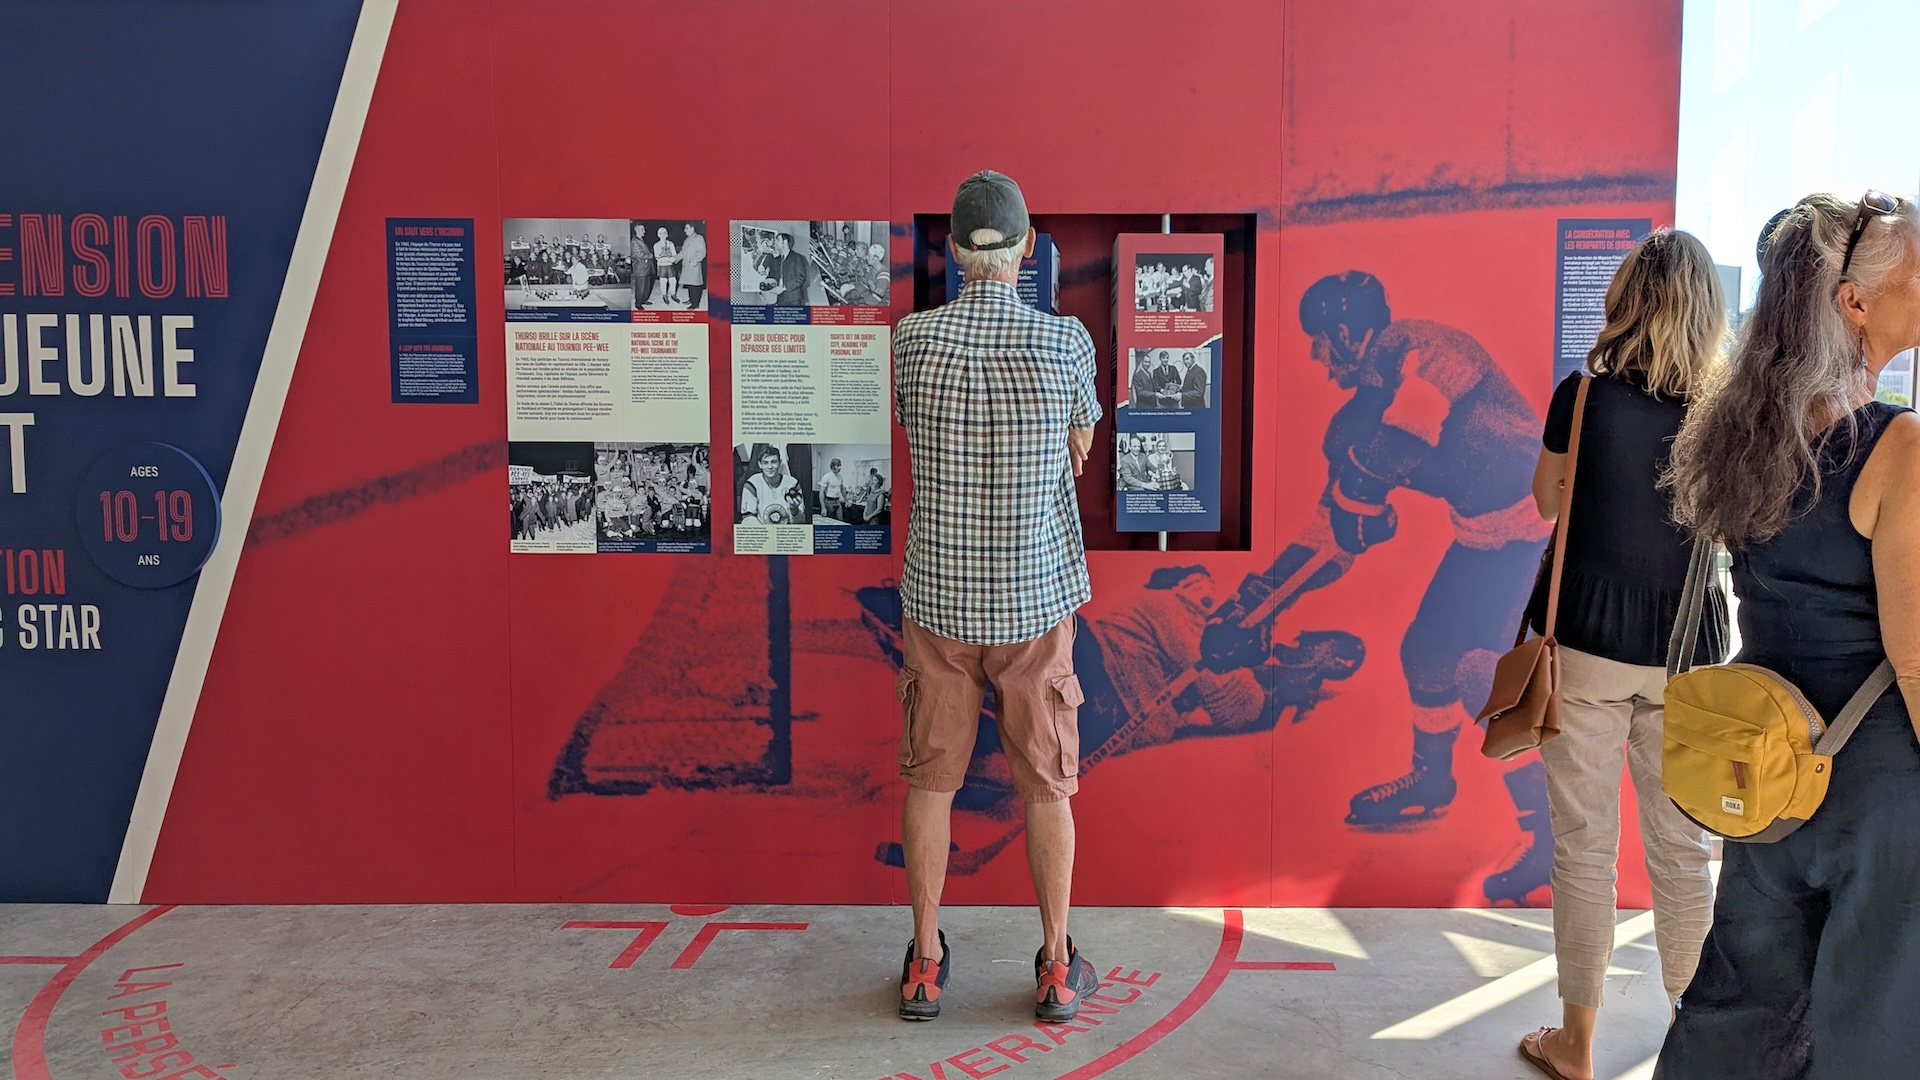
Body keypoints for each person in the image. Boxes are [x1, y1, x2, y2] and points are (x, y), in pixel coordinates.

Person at [1653, 193, 1920, 1079]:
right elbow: (1915, 653)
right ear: (1855, 302)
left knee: (1742, 1003)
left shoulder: (1749, 433)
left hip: (1765, 758)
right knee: (1871, 1012)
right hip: (1880, 784)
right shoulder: (1899, 447)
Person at [1511, 230, 1726, 1080]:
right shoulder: (1725, 410)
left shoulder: (1584, 397)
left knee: (1585, 849)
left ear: (1627, 299)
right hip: (1688, 657)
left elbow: (1542, 502)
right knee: (1683, 856)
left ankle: (1577, 1043)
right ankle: (1696, 1041)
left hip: (1587, 649)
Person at [891, 169, 1103, 1023]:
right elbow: (1083, 445)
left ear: (951, 249)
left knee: (929, 781)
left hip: (937, 603)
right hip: (1032, 602)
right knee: (1048, 787)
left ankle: (927, 964)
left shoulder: (911, 340)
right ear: (1024, 251)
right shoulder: (1066, 344)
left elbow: (911, 428)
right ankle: (1055, 964)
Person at [739, 444, 803, 524]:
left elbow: (801, 522)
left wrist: (794, 511)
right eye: (765, 463)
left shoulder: (792, 484)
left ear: (780, 463)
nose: (770, 467)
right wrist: (766, 534)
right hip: (762, 533)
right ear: (760, 464)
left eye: (774, 462)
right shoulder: (752, 484)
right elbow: (747, 518)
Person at [678, 223, 706, 309]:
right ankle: (691, 299)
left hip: (694, 266)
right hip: (687, 265)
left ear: (692, 228)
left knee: (694, 285)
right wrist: (674, 259)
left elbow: (702, 252)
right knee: (690, 284)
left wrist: (695, 261)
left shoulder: (698, 238)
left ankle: (695, 304)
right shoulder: (687, 239)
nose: (684, 230)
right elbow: (683, 252)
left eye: (686, 228)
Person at [653, 227, 679, 306]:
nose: (663, 235)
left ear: (667, 234)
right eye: (661, 233)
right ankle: (664, 295)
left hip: (670, 265)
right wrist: (668, 258)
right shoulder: (656, 245)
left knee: (673, 280)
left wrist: (671, 259)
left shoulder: (671, 244)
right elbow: (657, 256)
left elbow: (674, 254)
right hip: (662, 265)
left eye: (664, 233)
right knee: (663, 281)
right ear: (658, 235)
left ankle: (673, 294)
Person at [631, 224, 655, 309]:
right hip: (640, 267)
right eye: (642, 229)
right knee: (640, 287)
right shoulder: (634, 241)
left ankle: (644, 300)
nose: (644, 231)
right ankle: (638, 304)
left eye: (644, 229)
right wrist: (651, 255)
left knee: (646, 285)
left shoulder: (640, 240)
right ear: (637, 230)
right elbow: (640, 254)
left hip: (646, 266)